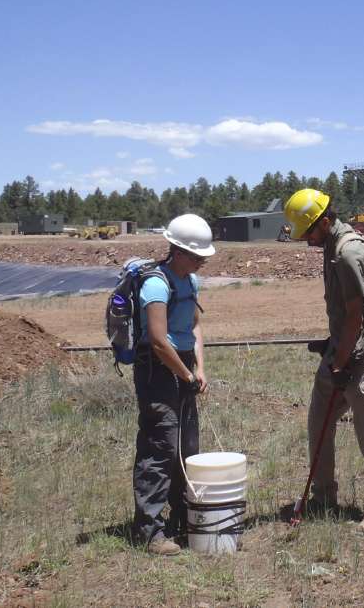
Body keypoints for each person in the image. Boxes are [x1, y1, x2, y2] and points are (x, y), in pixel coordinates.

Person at [284, 188, 364, 534]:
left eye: (308, 234)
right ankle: (323, 497)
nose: (306, 242)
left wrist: (341, 362)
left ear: (324, 221)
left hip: (360, 357)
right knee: (319, 421)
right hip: (340, 350)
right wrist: (334, 353)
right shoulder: (331, 247)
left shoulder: (348, 253)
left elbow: (355, 318)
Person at [132, 213, 214, 555]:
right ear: (177, 250)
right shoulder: (156, 284)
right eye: (196, 256)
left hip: (183, 367)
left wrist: (200, 369)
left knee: (186, 445)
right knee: (160, 446)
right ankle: (149, 532)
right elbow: (158, 340)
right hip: (158, 369)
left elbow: (193, 327)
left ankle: (183, 516)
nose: (201, 262)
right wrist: (185, 373)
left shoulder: (190, 283)